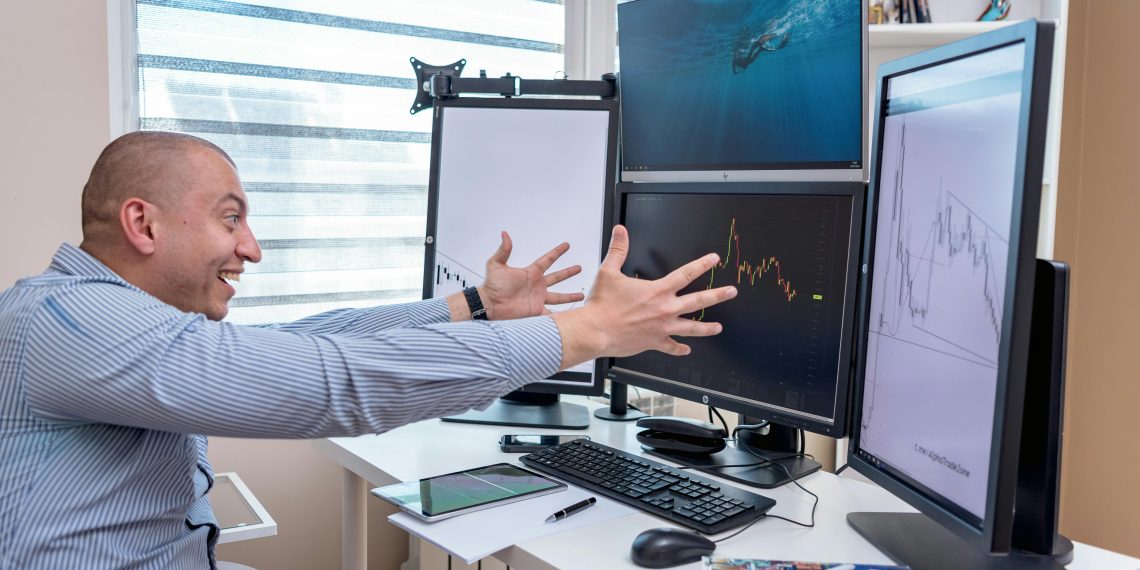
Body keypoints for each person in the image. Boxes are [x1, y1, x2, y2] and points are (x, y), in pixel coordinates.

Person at [0, 131, 737, 569]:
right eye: (230, 219)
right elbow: (329, 382)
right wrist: (586, 332)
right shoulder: (69, 319)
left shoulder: (107, 319)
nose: (251, 248)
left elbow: (305, 343)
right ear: (143, 225)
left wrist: (476, 307)